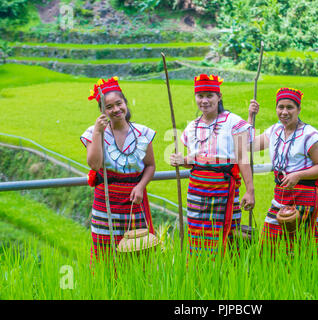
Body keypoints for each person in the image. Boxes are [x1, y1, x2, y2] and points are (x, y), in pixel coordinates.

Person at [170, 74, 255, 255]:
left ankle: (225, 274)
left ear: (219, 96)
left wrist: (250, 190)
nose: (204, 101)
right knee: (197, 232)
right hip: (197, 189)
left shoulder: (234, 122)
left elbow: (242, 157)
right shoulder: (192, 127)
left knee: (227, 233)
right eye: (200, 96)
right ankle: (200, 273)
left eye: (210, 95)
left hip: (224, 188)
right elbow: (195, 160)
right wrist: (181, 161)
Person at [81, 76, 156, 263]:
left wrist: (141, 186)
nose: (116, 110)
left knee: (138, 252)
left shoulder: (142, 133)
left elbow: (150, 165)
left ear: (125, 103)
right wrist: (98, 132)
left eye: (118, 103)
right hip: (105, 200)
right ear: (101, 111)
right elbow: (94, 165)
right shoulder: (93, 132)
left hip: (134, 200)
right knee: (104, 251)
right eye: (109, 107)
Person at [248, 87, 318, 262]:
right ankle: (273, 282)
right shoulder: (275, 130)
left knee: (305, 246)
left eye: (290, 107)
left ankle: (313, 283)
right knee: (268, 243)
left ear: (299, 109)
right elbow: (250, 145)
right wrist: (251, 117)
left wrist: (297, 175)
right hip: (282, 194)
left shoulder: (310, 136)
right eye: (280, 107)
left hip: (306, 196)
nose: (284, 112)